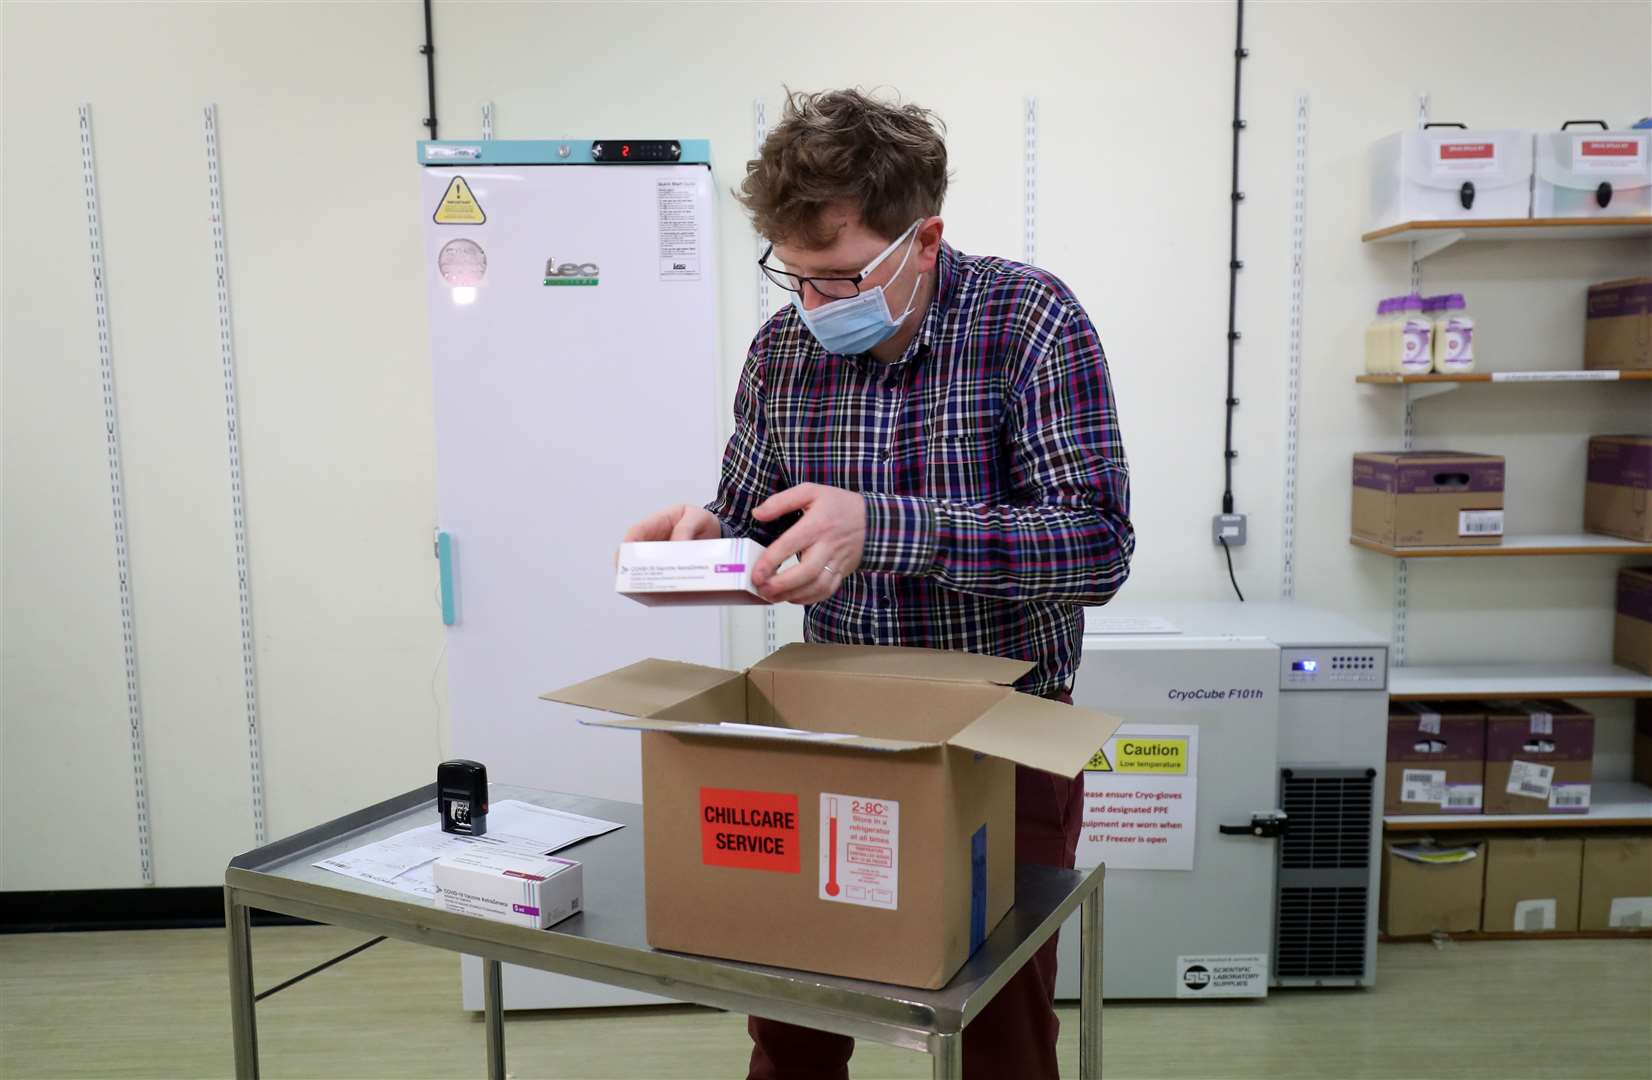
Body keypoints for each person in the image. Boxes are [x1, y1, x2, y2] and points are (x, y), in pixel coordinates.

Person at [623, 88, 1133, 1080]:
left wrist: (885, 525)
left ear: (925, 239)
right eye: (795, 277)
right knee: (794, 1005)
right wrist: (698, 546)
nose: (814, 305)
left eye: (843, 276)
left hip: (1001, 732)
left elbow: (1095, 546)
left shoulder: (1029, 320)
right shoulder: (782, 351)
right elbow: (753, 513)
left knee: (997, 1025)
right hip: (832, 724)